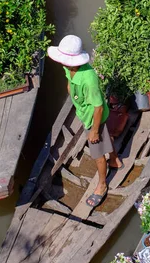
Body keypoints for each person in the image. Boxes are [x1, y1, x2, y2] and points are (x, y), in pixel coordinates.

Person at [47, 34, 123, 208]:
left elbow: (99, 108)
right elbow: (68, 79)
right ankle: (115, 159)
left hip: (93, 119)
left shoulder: (89, 79)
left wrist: (94, 130)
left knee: (97, 153)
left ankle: (102, 185)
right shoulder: (70, 67)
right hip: (84, 113)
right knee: (106, 138)